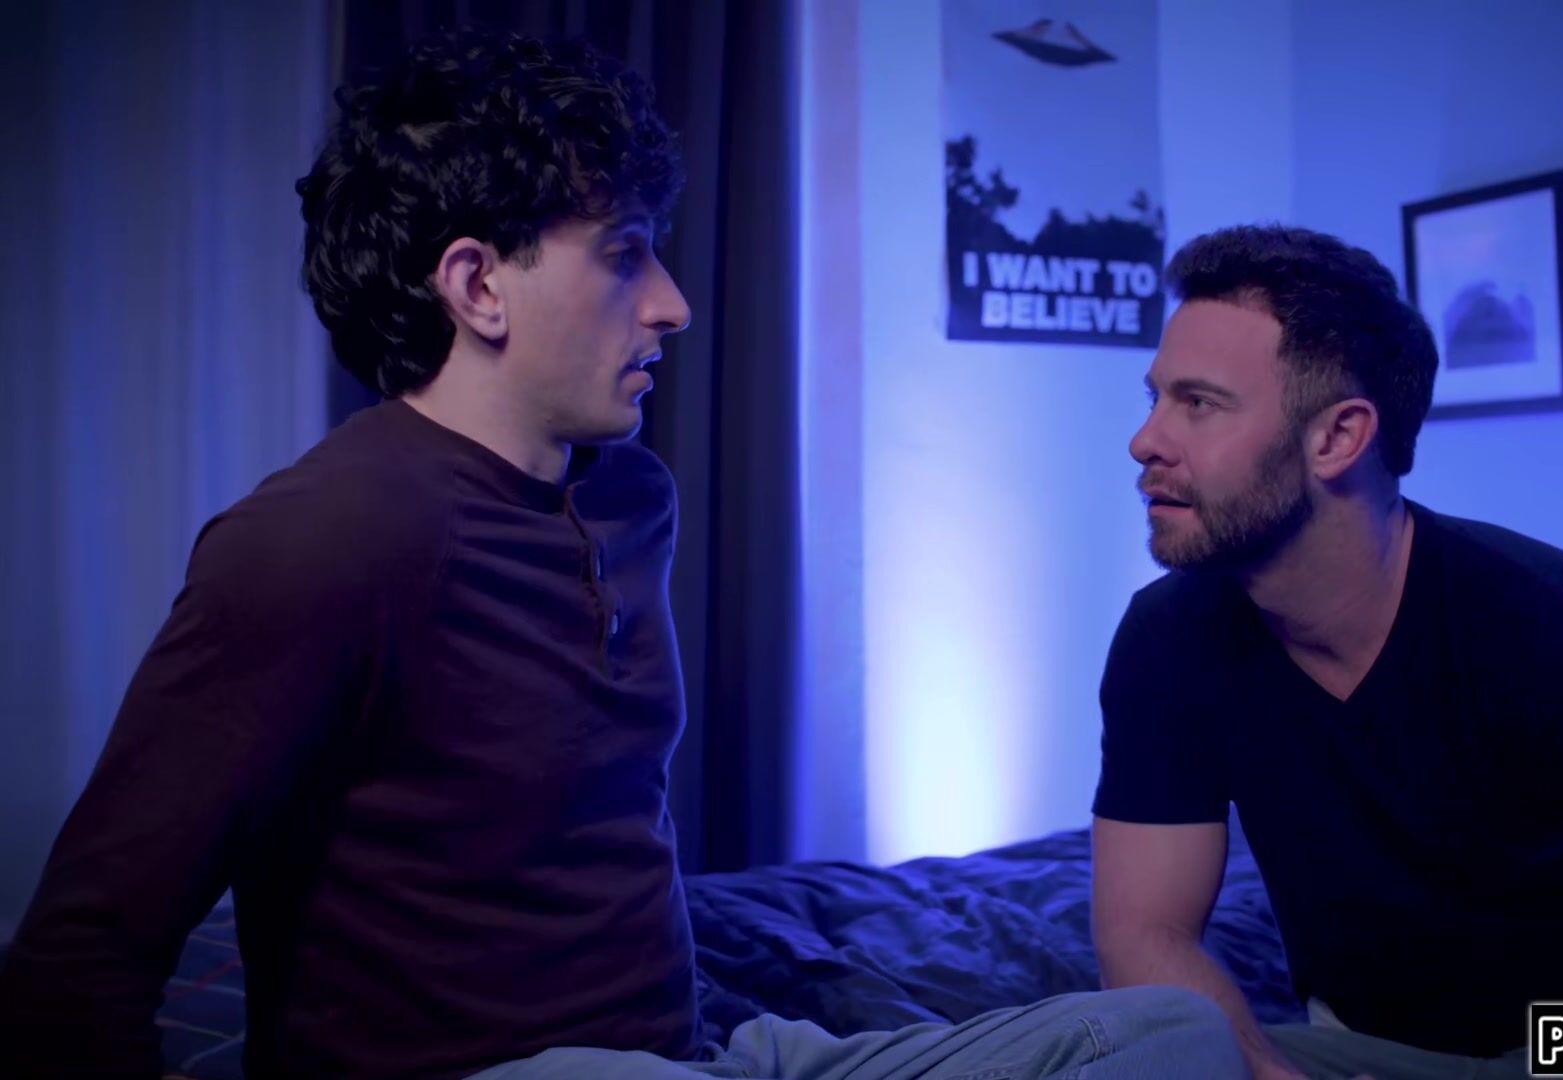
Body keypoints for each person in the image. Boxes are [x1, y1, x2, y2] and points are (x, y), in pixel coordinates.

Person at [0, 29, 1243, 1080]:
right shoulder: (316, 541)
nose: (672, 303)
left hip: (691, 1056)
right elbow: (82, 952)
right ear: (477, 287)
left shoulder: (631, 494)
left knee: (1171, 1038)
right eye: (622, 251)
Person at [1090, 224, 1563, 1080]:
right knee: (1092, 1050)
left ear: (1338, 437)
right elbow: (1145, 929)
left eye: (1198, 404)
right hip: (1352, 1047)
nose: (1144, 440)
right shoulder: (1168, 636)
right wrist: (1263, 1071)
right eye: (1155, 398)